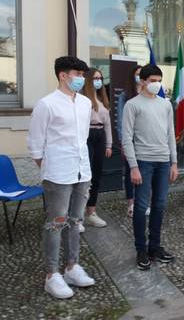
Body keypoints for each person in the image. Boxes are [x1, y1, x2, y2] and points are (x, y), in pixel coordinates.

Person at [27, 56, 96, 299]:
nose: (81, 79)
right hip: (58, 173)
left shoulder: (86, 103)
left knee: (75, 221)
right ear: (62, 75)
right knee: (56, 221)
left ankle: (72, 267)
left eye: (82, 74)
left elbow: (83, 136)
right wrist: (48, 166)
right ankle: (52, 274)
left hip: (81, 170)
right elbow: (36, 144)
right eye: (76, 74)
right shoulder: (47, 104)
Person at [122, 64, 178, 271]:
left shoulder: (165, 105)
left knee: (160, 204)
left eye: (159, 80)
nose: (156, 84)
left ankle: (155, 246)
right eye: (153, 80)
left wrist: (174, 162)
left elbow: (170, 134)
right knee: (140, 206)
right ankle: (141, 249)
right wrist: (133, 166)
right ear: (143, 81)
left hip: (163, 161)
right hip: (143, 162)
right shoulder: (132, 105)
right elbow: (127, 138)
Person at [81, 68, 113, 229]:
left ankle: (91, 212)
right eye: (95, 78)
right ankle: (78, 215)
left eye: (100, 78)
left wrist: (109, 145)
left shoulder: (103, 99)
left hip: (100, 136)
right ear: (88, 80)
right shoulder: (82, 99)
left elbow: (108, 126)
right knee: (85, 175)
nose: (98, 81)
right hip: (87, 135)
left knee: (97, 175)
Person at [116, 65, 142, 217]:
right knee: (131, 170)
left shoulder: (149, 95)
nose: (139, 77)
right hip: (130, 139)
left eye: (141, 74)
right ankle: (131, 204)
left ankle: (142, 201)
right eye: (137, 74)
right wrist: (123, 143)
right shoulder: (125, 96)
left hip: (145, 140)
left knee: (144, 170)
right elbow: (120, 121)